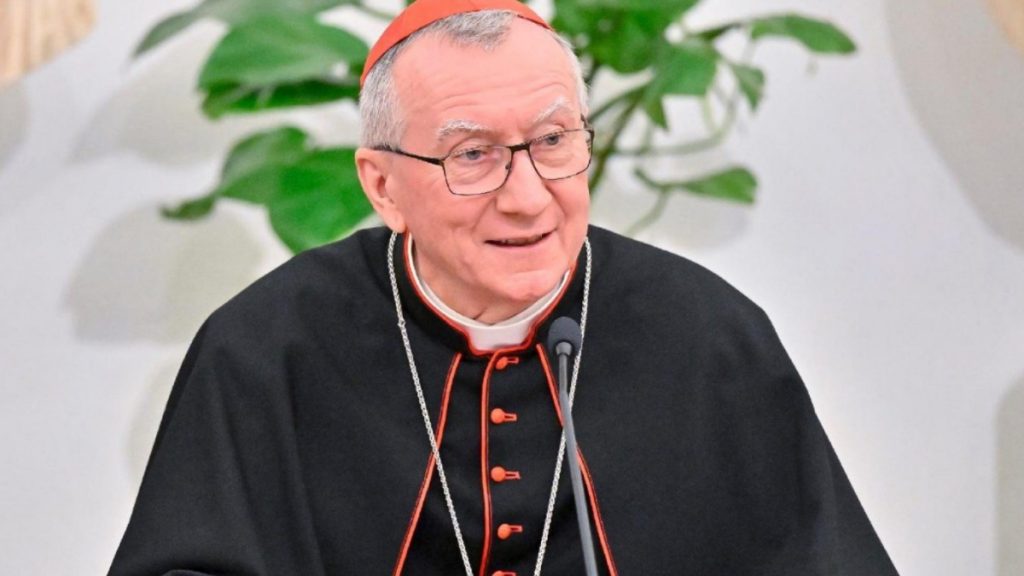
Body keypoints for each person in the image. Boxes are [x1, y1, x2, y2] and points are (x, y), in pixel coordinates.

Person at [108, 1, 899, 574]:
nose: (526, 197)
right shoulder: (266, 349)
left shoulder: (707, 335)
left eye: (553, 141)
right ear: (382, 186)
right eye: (473, 156)